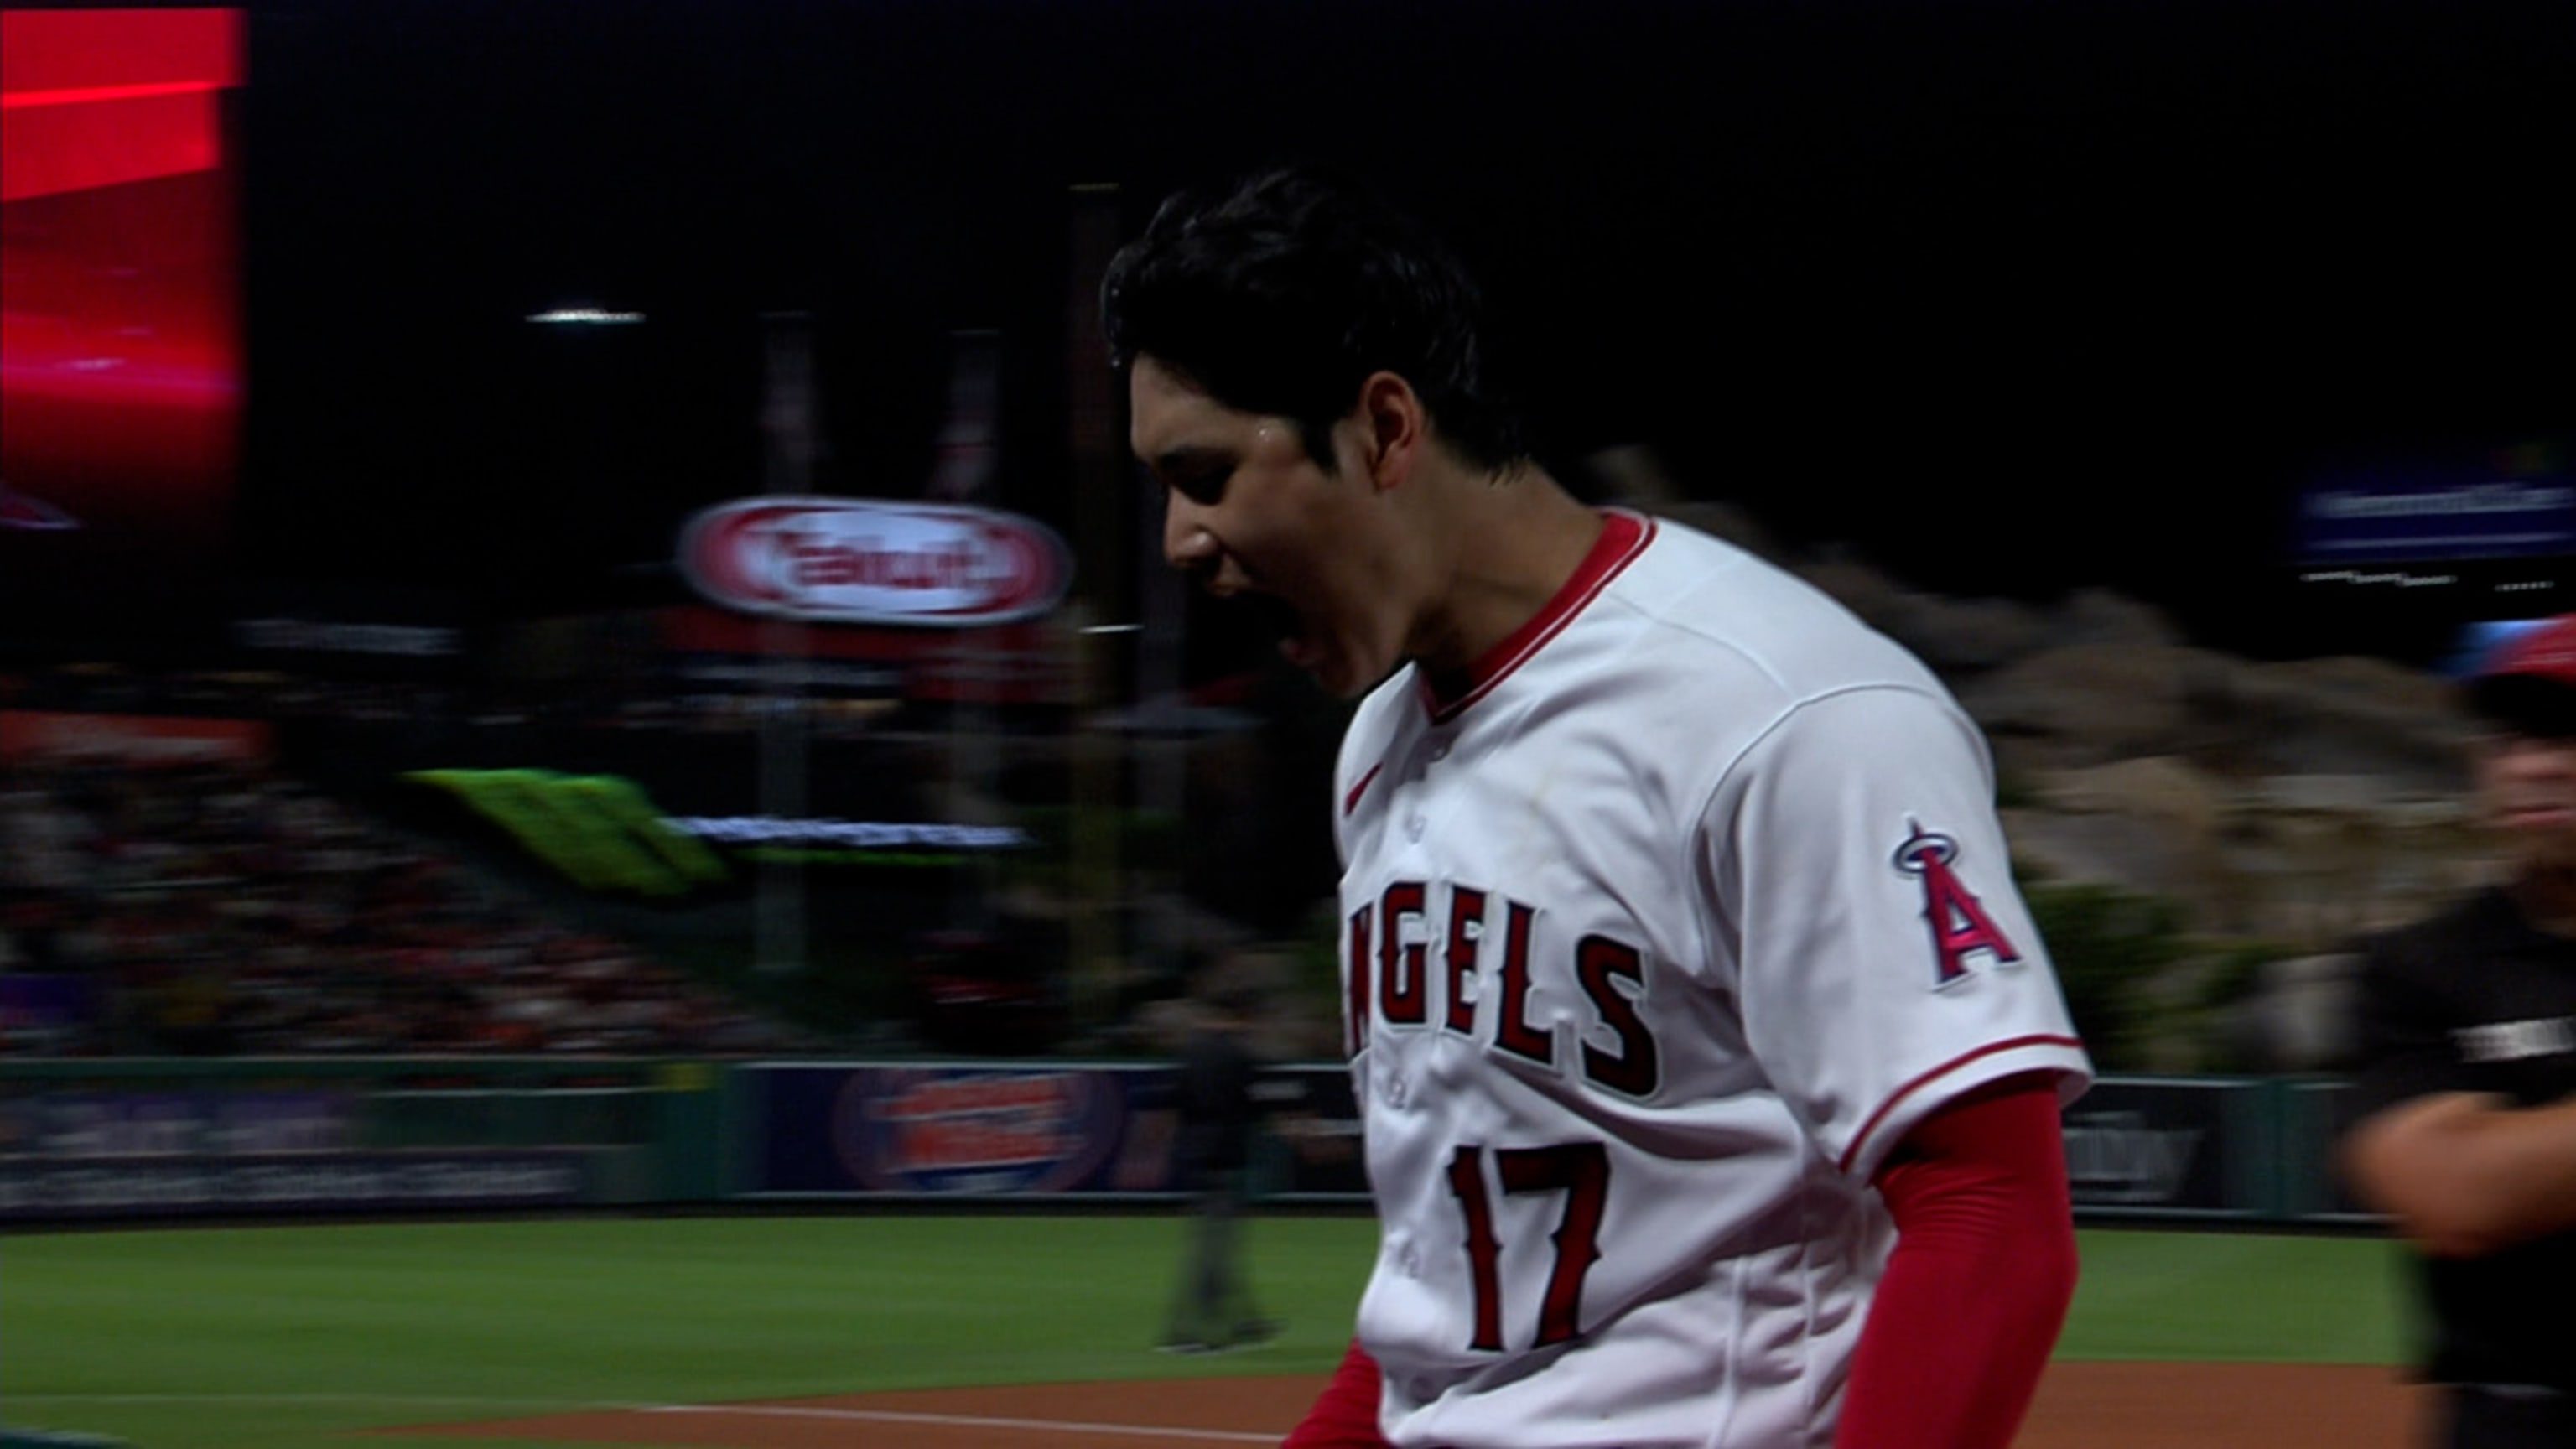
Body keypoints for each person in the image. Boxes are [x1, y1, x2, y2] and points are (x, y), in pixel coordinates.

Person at [1102, 165, 2093, 1449]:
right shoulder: (1379, 750)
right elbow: (1447, 1311)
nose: (1181, 537)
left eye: (1207, 472)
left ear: (1386, 429)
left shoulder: (1783, 708)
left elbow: (1988, 1212)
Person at [2340, 617, 2576, 1448]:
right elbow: (2457, 1197)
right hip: (2519, 1421)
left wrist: (2527, 1149)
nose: (2532, 764)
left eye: (2566, 736)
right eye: (2510, 740)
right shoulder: (2424, 964)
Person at [1162, 984, 1284, 1353]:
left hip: (1197, 1155)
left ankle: (1246, 1322)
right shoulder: (1239, 1056)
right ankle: (1191, 1333)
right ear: (1240, 1016)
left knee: (1220, 1243)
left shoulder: (1192, 1053)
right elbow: (1261, 1105)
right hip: (1227, 1158)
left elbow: (1175, 1106)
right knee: (1215, 1250)